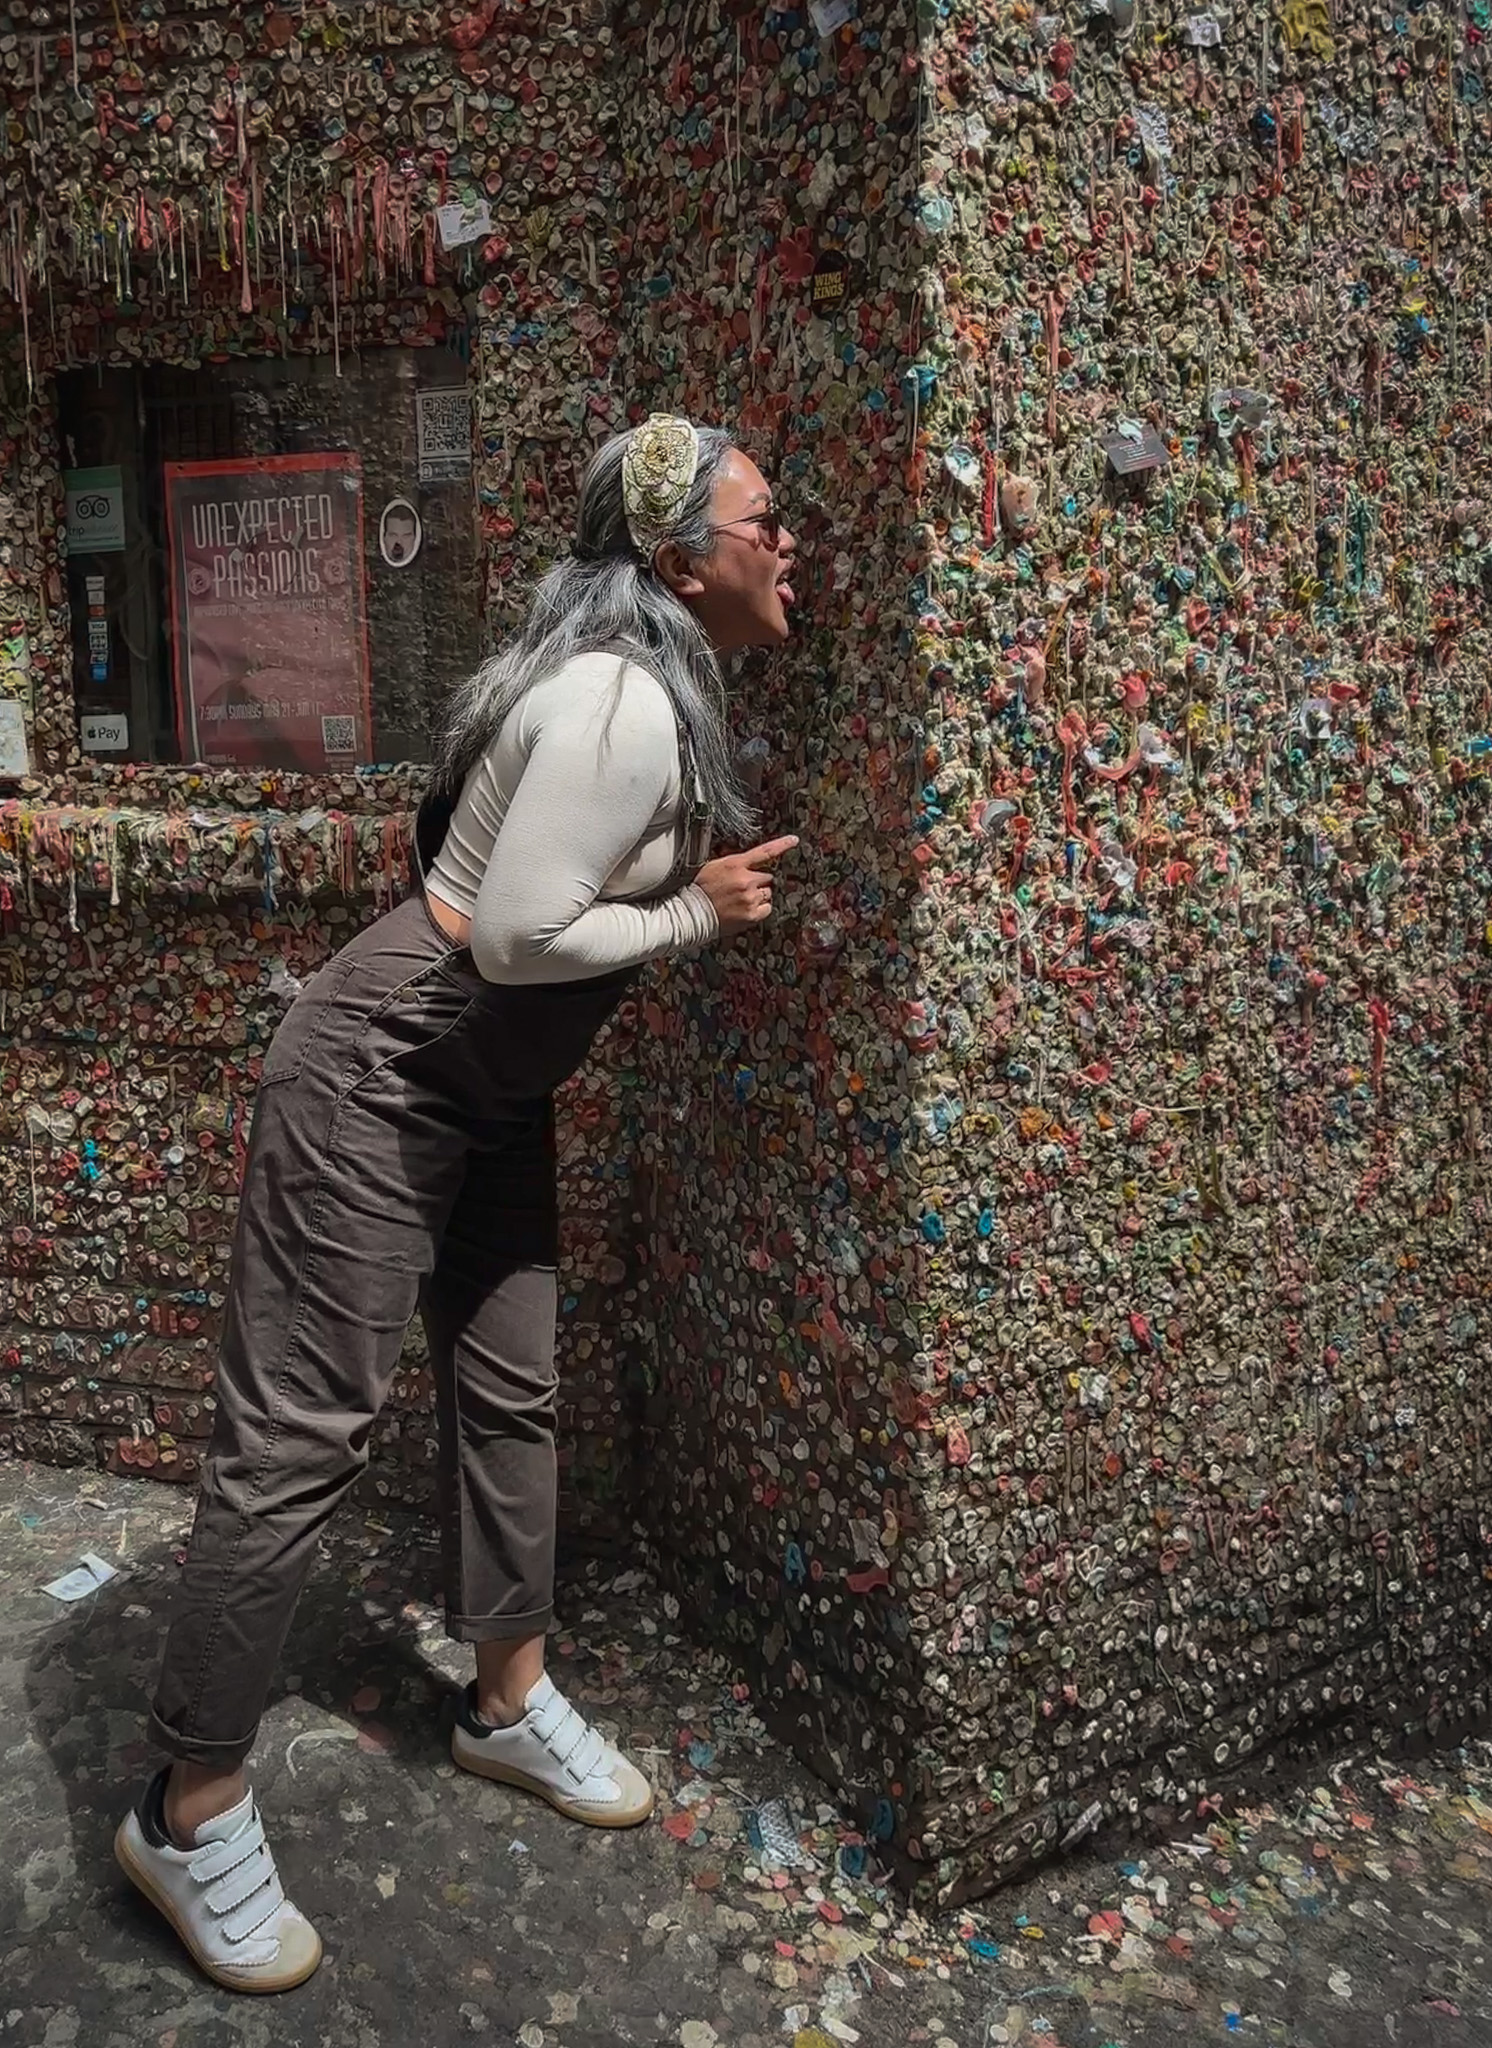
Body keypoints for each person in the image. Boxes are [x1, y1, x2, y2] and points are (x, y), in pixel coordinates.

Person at [115, 415, 800, 1993]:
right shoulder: (624, 697)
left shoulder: (648, 687)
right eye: (770, 516)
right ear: (682, 557)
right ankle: (187, 1800)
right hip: (385, 1069)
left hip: (483, 1091)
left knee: (511, 1390)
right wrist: (700, 906)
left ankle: (505, 1701)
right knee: (302, 1434)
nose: (790, 542)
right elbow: (509, 934)